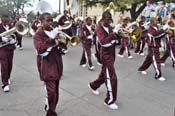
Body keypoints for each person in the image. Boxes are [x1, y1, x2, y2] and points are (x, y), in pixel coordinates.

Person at [33, 13, 66, 116]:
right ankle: (50, 112)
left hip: (57, 64)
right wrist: (52, 39)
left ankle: (50, 107)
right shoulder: (38, 35)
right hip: (46, 65)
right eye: (47, 20)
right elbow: (41, 49)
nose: (50, 22)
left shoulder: (54, 32)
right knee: (51, 93)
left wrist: (62, 47)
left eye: (51, 20)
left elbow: (61, 46)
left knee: (55, 91)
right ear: (42, 22)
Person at [88, 11, 119, 110]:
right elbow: (104, 42)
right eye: (107, 20)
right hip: (105, 56)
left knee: (104, 74)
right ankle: (109, 101)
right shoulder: (99, 29)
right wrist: (114, 35)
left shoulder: (109, 27)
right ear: (102, 19)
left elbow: (113, 41)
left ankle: (93, 86)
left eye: (110, 20)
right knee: (111, 78)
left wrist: (118, 37)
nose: (109, 22)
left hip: (111, 54)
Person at [0, 14, 16, 92]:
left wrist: (14, 41)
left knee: (10, 65)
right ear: (2, 20)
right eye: (5, 21)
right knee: (4, 65)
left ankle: (7, 77)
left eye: (8, 21)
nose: (7, 23)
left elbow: (16, 35)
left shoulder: (12, 27)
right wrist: (1, 38)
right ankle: (5, 83)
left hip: (10, 48)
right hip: (2, 48)